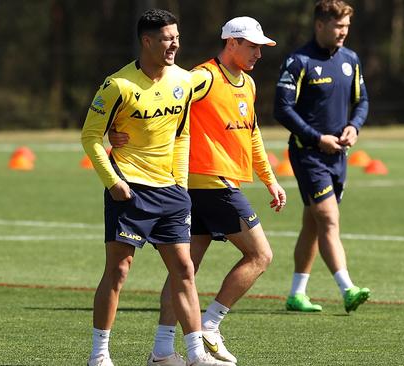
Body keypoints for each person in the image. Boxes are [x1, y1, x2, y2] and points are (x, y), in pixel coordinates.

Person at [110, 16, 285, 365]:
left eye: (261, 48)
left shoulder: (248, 85)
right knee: (260, 255)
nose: (258, 55)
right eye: (252, 46)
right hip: (208, 183)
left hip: (210, 186)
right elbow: (160, 99)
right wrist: (119, 129)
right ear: (231, 43)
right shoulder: (203, 77)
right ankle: (211, 324)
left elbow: (252, 135)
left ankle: (162, 350)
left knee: (184, 270)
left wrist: (270, 179)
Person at [80, 9, 235, 366]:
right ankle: (99, 355)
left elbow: (182, 134)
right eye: (167, 38)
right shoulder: (117, 85)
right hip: (130, 189)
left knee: (184, 270)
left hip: (171, 193)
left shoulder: (185, 80)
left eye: (177, 37)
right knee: (118, 271)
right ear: (147, 41)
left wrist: (180, 185)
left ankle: (195, 353)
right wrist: (113, 182)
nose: (175, 44)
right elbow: (90, 137)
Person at [273, 0, 370, 313]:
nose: (343, 33)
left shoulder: (351, 59)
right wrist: (317, 138)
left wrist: (354, 127)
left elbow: (362, 101)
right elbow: (282, 108)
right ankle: (347, 288)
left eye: (346, 27)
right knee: (328, 218)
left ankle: (296, 294)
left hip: (338, 156)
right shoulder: (298, 61)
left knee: (313, 224)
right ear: (320, 25)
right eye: (338, 26)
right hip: (308, 154)